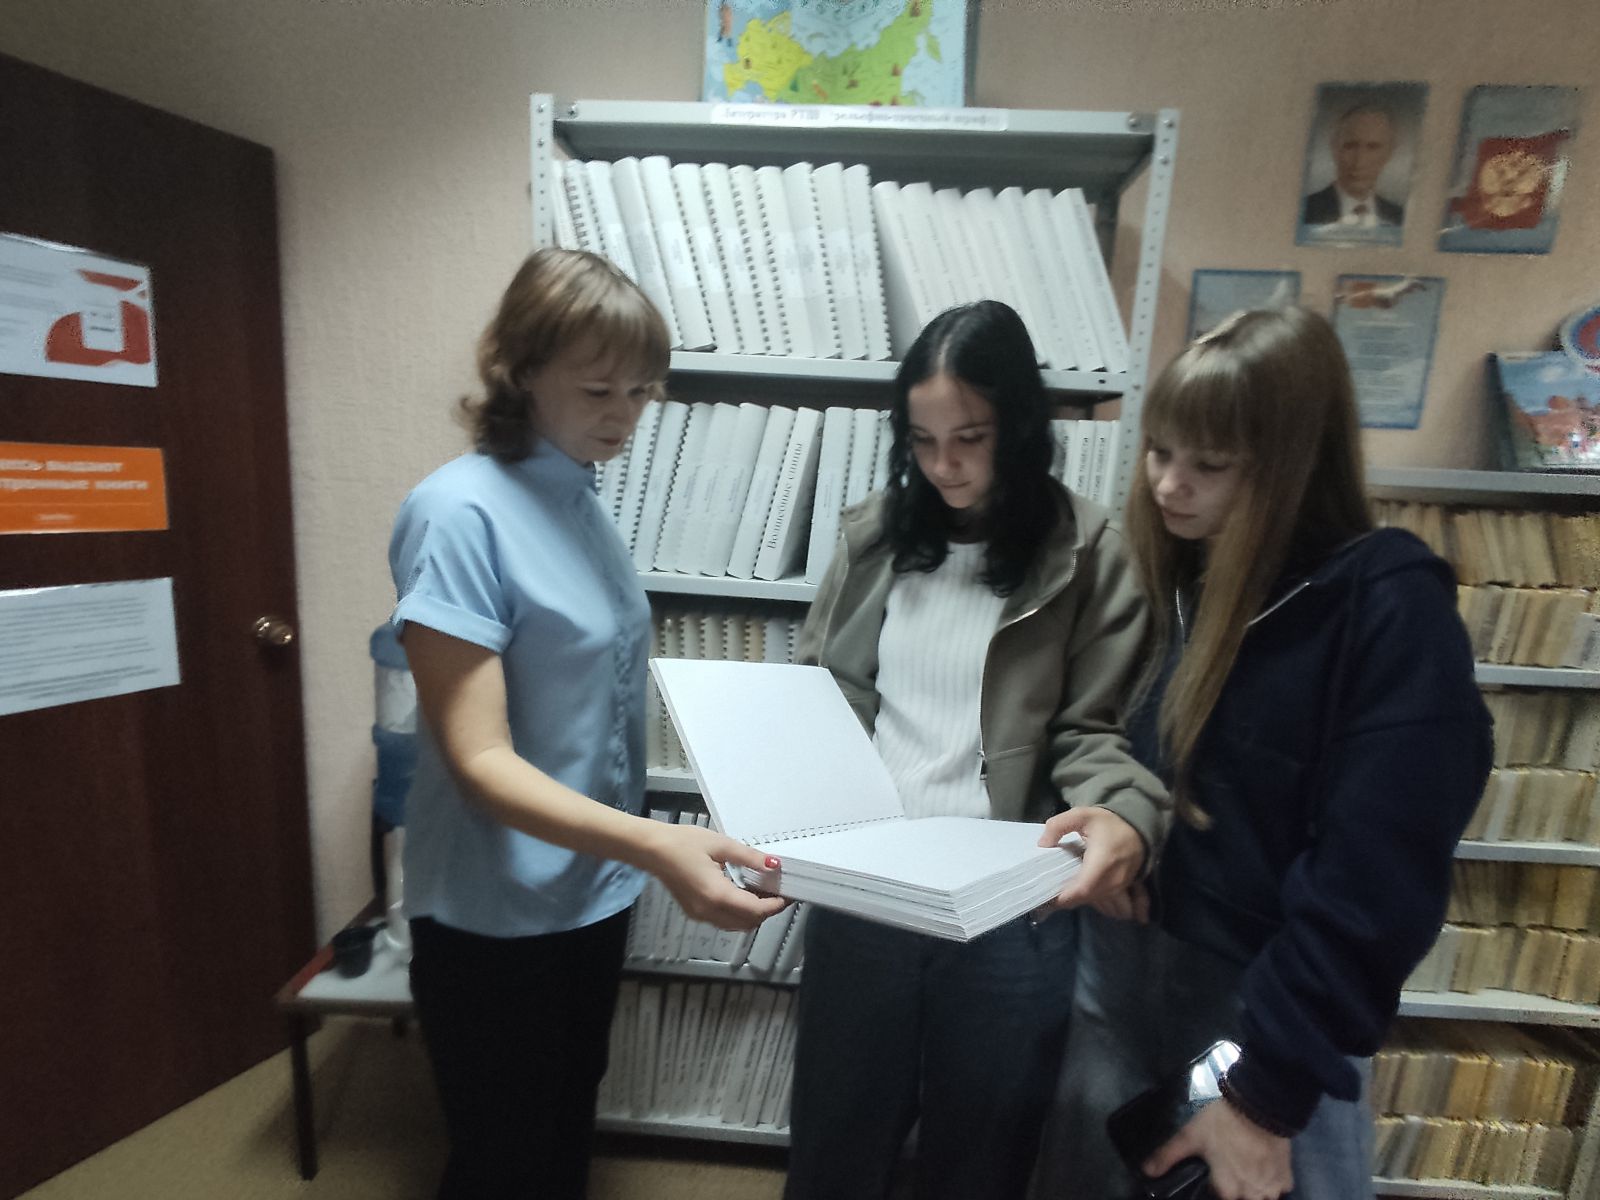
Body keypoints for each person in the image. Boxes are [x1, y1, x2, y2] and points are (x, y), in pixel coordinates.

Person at [1034, 307, 1491, 1200]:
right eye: (1159, 451)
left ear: (1294, 462)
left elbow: (1376, 880)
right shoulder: (1178, 572)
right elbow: (1132, 750)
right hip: (1124, 976)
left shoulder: (1386, 608)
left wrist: (1264, 1097)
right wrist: (1127, 832)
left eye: (1210, 464)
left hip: (1263, 1025)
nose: (1169, 486)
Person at [388, 247, 786, 1200]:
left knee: (565, 1123)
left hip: (590, 889)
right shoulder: (457, 513)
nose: (624, 415)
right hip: (493, 909)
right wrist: (659, 845)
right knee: (503, 1158)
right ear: (520, 370)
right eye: (599, 388)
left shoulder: (581, 498)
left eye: (642, 392)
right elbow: (480, 760)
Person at [784, 300, 1170, 1200]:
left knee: (980, 1158)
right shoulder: (876, 536)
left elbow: (1092, 730)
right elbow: (824, 695)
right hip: (868, 884)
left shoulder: (1090, 551)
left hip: (1008, 900)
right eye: (921, 441)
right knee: (837, 1143)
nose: (943, 465)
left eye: (970, 438)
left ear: (1020, 429)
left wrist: (1126, 815)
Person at [1302, 103, 1405, 228]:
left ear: (1389, 153)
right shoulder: (1304, 211)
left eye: (1373, 147)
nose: (1359, 161)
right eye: (1350, 146)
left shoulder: (1400, 218)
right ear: (1334, 148)